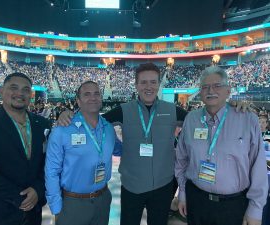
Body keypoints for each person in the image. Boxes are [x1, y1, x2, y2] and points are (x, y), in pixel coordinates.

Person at [57, 63, 251, 225]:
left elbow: (206, 115)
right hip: (132, 186)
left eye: (152, 82)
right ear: (136, 85)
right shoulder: (124, 110)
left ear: (159, 84)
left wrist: (231, 105)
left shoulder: (172, 110)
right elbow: (93, 120)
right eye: (143, 82)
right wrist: (70, 115)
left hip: (163, 186)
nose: (148, 87)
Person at [175, 66, 268, 225]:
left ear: (228, 90)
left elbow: (258, 168)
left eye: (217, 85)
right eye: (205, 87)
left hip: (233, 206)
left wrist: (255, 208)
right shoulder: (192, 119)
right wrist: (182, 193)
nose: (210, 90)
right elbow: (181, 159)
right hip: (196, 201)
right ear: (200, 92)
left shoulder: (247, 119)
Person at [0, 72, 51, 225]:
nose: (20, 93)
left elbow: (47, 164)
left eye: (26, 89)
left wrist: (37, 189)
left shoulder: (43, 124)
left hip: (33, 213)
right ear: (1, 92)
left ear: (31, 95)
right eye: (14, 88)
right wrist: (19, 197)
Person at [45, 81, 121, 225]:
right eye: (87, 94)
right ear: (78, 102)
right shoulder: (63, 129)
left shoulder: (108, 129)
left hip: (102, 199)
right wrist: (56, 208)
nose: (93, 97)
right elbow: (51, 171)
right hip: (73, 203)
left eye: (96, 93)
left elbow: (120, 149)